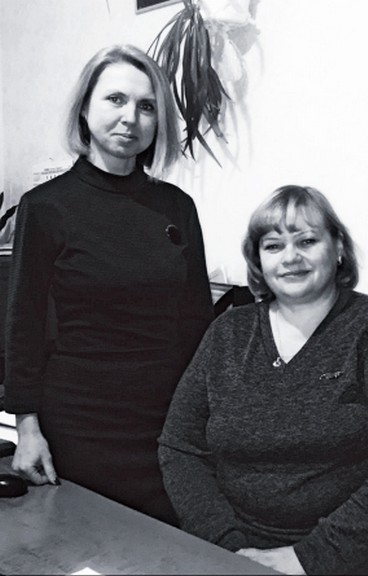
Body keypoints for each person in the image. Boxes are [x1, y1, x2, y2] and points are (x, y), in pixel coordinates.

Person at [158, 185, 368, 575]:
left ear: (339, 248)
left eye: (307, 241)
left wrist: (309, 557)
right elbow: (181, 447)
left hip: (366, 555)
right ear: (258, 259)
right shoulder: (228, 333)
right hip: (243, 553)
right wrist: (228, 546)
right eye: (273, 246)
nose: (290, 257)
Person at [4, 45, 214, 525]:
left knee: (169, 547)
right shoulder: (45, 207)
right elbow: (24, 325)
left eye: (146, 106)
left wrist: (202, 421)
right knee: (88, 543)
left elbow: (198, 323)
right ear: (84, 108)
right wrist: (27, 428)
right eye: (115, 99)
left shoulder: (177, 207)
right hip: (79, 422)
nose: (130, 118)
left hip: (167, 421)